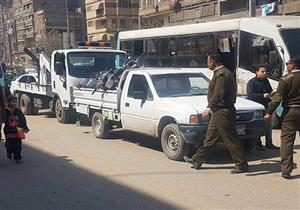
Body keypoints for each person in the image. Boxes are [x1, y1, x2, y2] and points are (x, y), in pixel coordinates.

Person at [184, 53, 249, 173]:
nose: (207, 63)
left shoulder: (222, 74)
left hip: (223, 111)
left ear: (213, 61)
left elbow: (219, 93)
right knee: (210, 138)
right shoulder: (220, 73)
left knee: (230, 138)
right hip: (218, 111)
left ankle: (242, 164)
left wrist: (209, 107)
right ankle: (197, 159)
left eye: (208, 61)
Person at [264, 56, 300, 179]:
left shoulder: (285, 79)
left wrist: (269, 112)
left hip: (290, 112)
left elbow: (277, 98)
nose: (287, 66)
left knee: (287, 141)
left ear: (293, 65)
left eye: (288, 63)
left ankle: (286, 170)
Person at [247, 66, 279, 150]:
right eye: (262, 71)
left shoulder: (266, 81)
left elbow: (269, 90)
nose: (264, 73)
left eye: (265, 72)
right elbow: (250, 95)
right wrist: (262, 95)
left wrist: (272, 93)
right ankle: (258, 144)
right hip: (257, 107)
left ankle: (269, 143)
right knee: (258, 125)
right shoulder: (252, 82)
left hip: (266, 106)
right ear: (257, 72)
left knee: (269, 126)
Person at [4, 95, 29, 163]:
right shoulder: (5, 111)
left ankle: (17, 157)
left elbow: (23, 120)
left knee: (18, 146)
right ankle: (9, 151)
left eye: (16, 102)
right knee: (10, 145)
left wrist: (25, 128)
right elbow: (2, 119)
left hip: (19, 131)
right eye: (13, 102)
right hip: (9, 131)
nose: (15, 103)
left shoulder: (18, 111)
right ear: (8, 102)